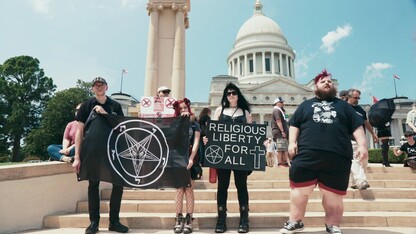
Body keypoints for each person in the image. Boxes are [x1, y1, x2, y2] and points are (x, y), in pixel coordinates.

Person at [280, 69, 368, 234]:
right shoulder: (305, 105)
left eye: (329, 81)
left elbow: (357, 126)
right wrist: (291, 142)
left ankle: (333, 224)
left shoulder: (344, 106)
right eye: (323, 81)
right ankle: (295, 221)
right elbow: (294, 124)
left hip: (338, 155)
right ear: (315, 87)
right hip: (307, 154)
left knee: (333, 196)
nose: (327, 83)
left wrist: (363, 146)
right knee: (299, 192)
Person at [72, 77, 129, 234]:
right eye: (96, 85)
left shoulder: (114, 105)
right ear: (92, 88)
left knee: (118, 183)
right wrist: (77, 156)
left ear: (107, 87)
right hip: (92, 151)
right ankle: (94, 223)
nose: (99, 87)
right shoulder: (86, 106)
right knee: (93, 185)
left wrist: (105, 114)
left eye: (101, 85)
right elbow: (79, 131)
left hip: (113, 151)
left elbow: (121, 127)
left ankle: (114, 222)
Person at [207, 82, 252, 233]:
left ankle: (244, 219)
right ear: (225, 96)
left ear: (238, 94)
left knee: (242, 187)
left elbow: (251, 135)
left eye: (234, 92)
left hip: (240, 156)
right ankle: (221, 219)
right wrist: (208, 139)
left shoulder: (245, 112)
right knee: (222, 186)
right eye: (228, 93)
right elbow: (213, 131)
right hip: (223, 156)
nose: (231, 95)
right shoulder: (220, 110)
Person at [172, 98, 201, 234]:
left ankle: (189, 219)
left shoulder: (195, 124)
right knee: (179, 190)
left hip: (190, 159)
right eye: (181, 108)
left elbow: (196, 141)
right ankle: (178, 218)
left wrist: (191, 158)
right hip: (177, 160)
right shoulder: (174, 124)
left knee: (189, 190)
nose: (184, 110)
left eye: (185, 108)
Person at [347, 89, 378, 190]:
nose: (357, 100)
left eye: (358, 98)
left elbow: (366, 122)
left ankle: (354, 182)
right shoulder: (344, 107)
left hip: (361, 140)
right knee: (356, 158)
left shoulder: (360, 110)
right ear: (349, 97)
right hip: (349, 138)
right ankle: (361, 180)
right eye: (355, 98)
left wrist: (373, 133)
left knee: (364, 160)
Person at [271, 97, 290, 167]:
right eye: (281, 102)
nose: (283, 104)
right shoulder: (276, 110)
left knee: (283, 147)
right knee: (281, 147)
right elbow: (278, 120)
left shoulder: (279, 110)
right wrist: (282, 131)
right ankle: (280, 163)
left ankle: (284, 162)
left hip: (279, 131)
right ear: (277, 103)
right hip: (278, 131)